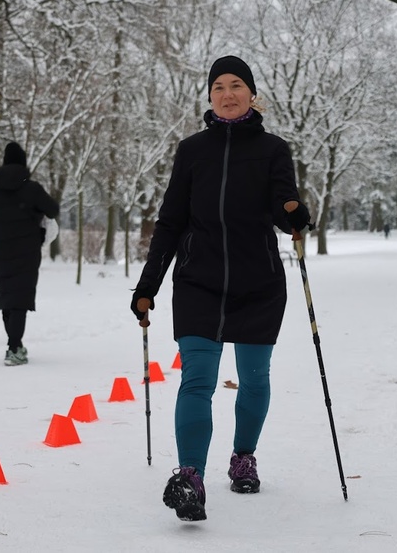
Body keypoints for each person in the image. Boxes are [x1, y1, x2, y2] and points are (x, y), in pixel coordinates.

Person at [130, 55, 311, 522]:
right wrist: (148, 285)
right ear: (209, 97)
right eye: (218, 87)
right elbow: (170, 222)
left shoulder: (273, 149)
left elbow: (280, 205)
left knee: (253, 381)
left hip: (259, 284)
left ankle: (243, 456)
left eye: (236, 85)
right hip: (199, 284)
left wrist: (292, 212)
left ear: (253, 94)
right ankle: (189, 477)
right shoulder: (192, 151)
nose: (227, 94)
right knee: (197, 380)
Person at [0, 141, 59, 366]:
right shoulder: (32, 189)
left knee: (8, 298)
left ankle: (14, 344)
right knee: (20, 300)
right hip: (26, 253)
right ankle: (14, 347)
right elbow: (53, 209)